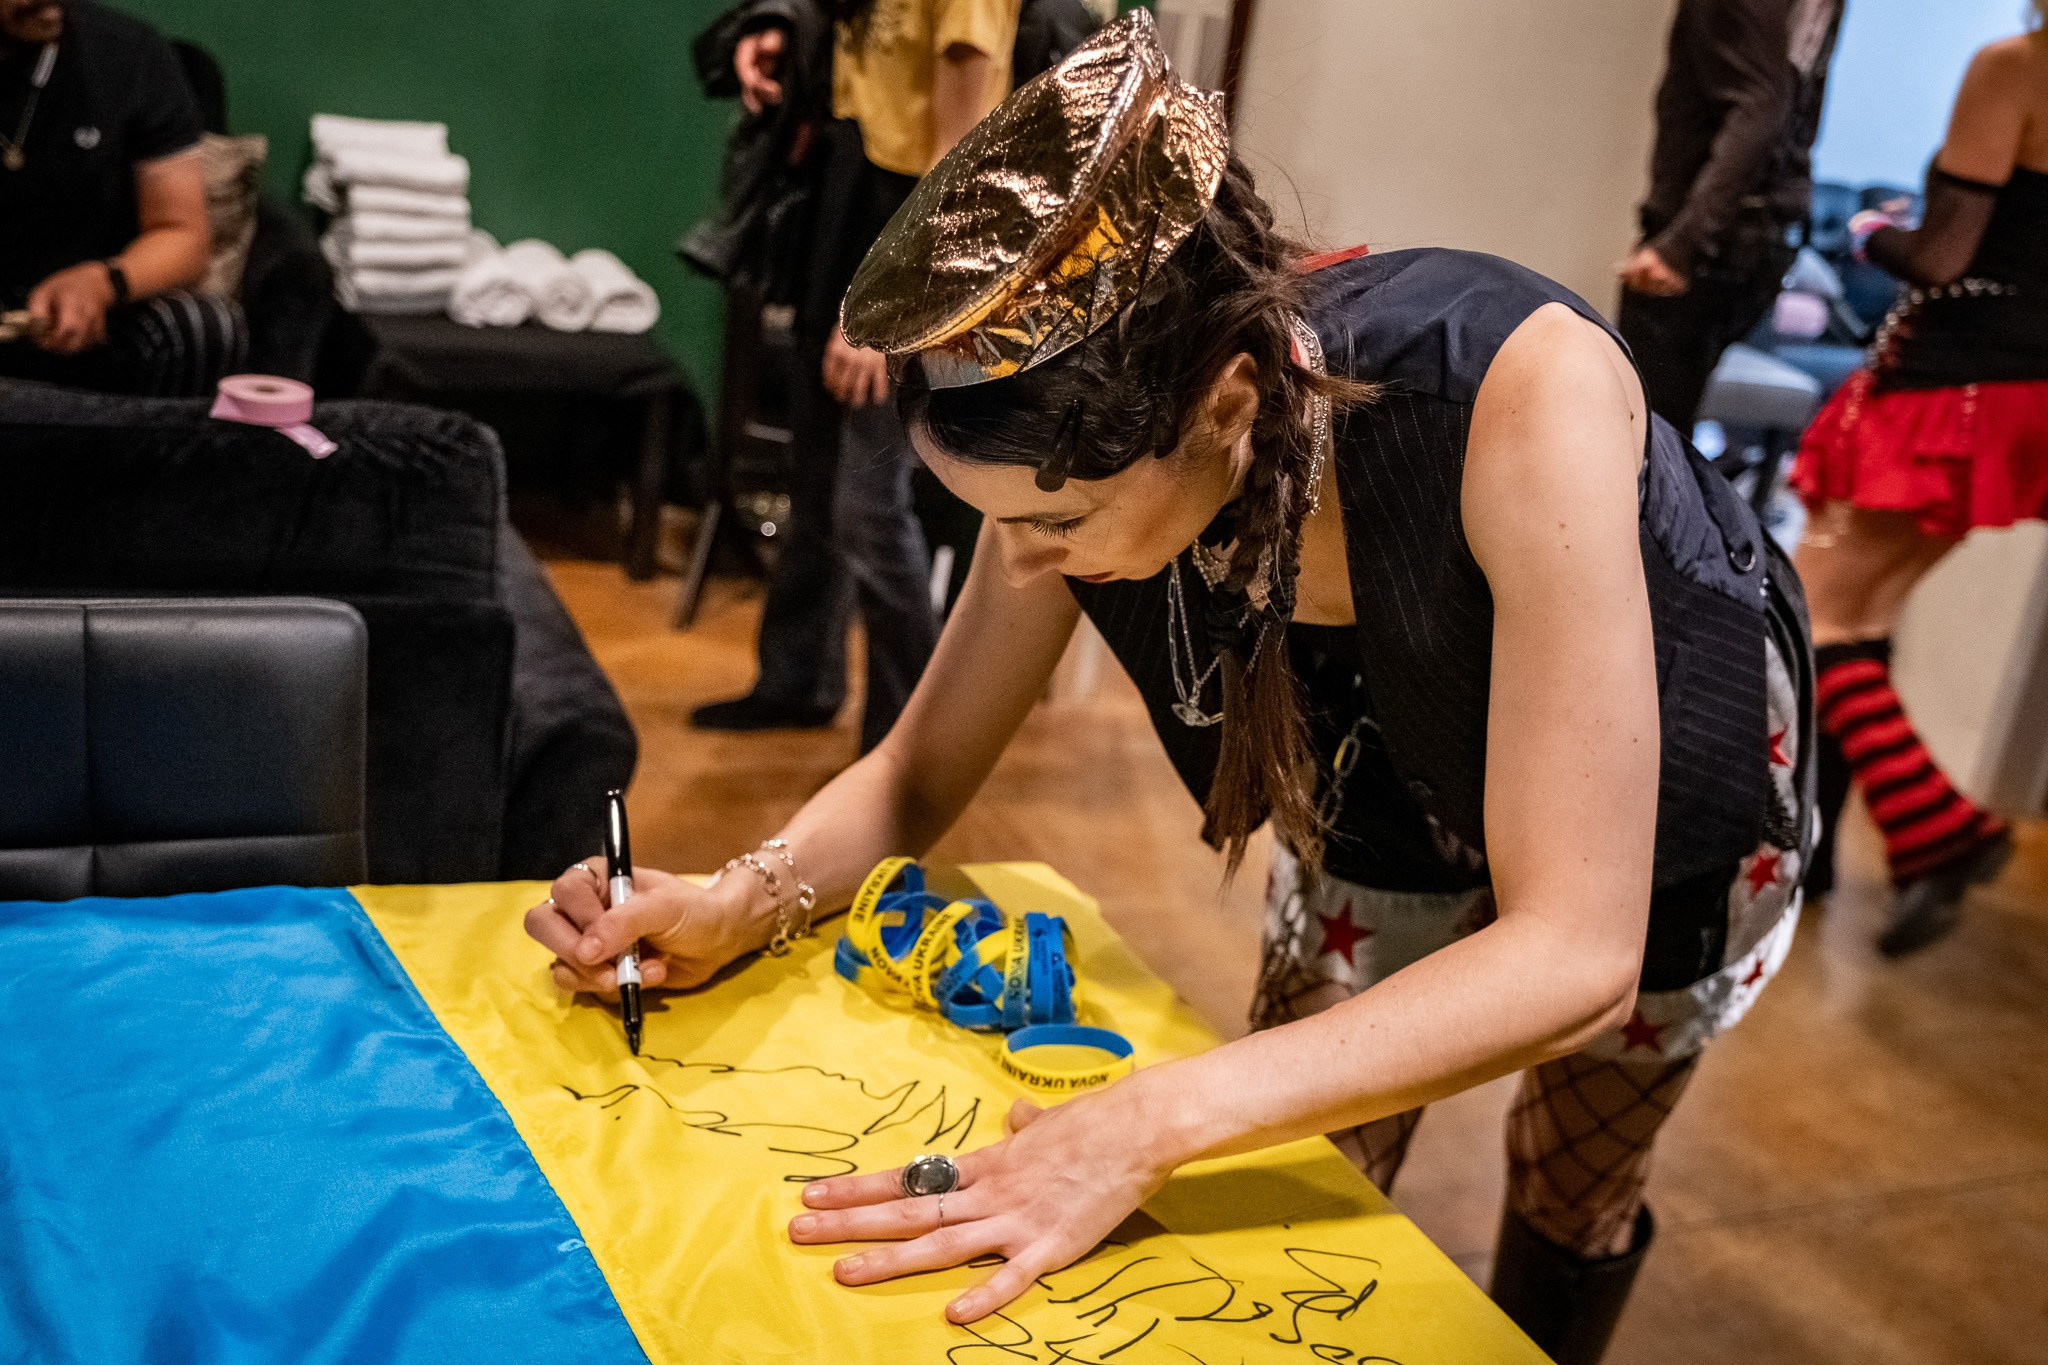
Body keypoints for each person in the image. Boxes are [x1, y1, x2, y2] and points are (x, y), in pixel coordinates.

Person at [524, 15, 1813, 1363]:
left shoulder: (1513, 395)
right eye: (995, 521)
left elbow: (1574, 951)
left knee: (1573, 1175)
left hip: (1659, 777)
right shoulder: (1081, 452)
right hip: (1374, 763)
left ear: (1228, 408)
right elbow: (916, 770)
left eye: (1056, 526)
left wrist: (1149, 1115)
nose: (1024, 564)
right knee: (1303, 1161)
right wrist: (738, 898)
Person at [691, 0, 1019, 753]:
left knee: (866, 503)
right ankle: (798, 682)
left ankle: (920, 732)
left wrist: (882, 319)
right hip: (844, 204)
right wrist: (775, 35)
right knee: (813, 479)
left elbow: (956, 163)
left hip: (920, 236)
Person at [1790, 10, 2048, 955]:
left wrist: (1868, 229)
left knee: (1812, 610)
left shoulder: (2016, 66)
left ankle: (1944, 830)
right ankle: (1854, 848)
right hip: (2024, 390)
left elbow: (1941, 255)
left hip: (1951, 384)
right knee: (1867, 612)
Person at [1618, 0, 1844, 431]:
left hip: (1712, 245)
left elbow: (1761, 107)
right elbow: (1795, 106)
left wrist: (1681, 246)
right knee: (1659, 437)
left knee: (1638, 437)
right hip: (1763, 235)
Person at [0, 0, 243, 397]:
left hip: (95, 309)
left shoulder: (128, 55)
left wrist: (104, 282)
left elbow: (183, 234)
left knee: (203, 327)